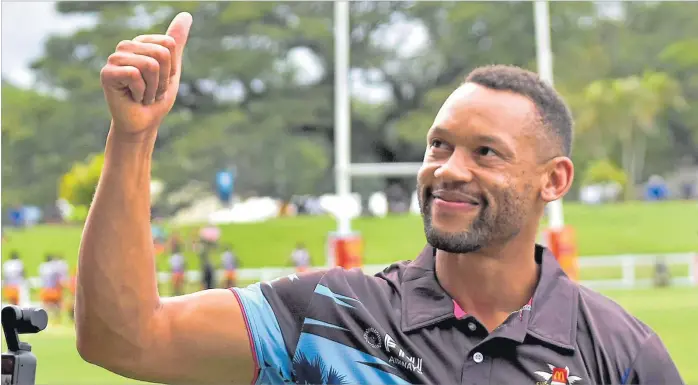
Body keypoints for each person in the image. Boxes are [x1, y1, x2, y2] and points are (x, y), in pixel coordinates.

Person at [75, 13, 684, 385]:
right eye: (438, 145)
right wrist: (134, 135)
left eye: (485, 153)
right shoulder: (332, 316)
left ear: (554, 181)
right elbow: (124, 338)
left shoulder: (620, 352)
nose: (449, 171)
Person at [39, 255, 62, 322]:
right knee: (57, 305)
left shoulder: (42, 267)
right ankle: (57, 320)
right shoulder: (54, 267)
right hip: (53, 289)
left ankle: (42, 319)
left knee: (45, 306)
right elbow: (58, 278)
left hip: (45, 289)